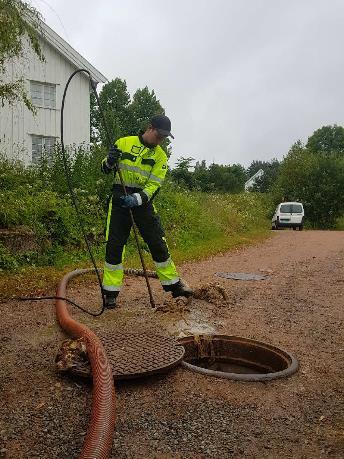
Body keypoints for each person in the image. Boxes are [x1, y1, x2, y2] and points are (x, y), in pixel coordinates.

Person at [101, 114, 193, 308]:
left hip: (142, 201)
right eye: (159, 135)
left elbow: (154, 186)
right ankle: (110, 293)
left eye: (165, 137)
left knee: (157, 242)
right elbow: (106, 168)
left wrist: (136, 199)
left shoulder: (161, 157)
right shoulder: (123, 142)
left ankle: (173, 285)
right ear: (149, 128)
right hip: (119, 199)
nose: (161, 140)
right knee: (115, 245)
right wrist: (109, 161)